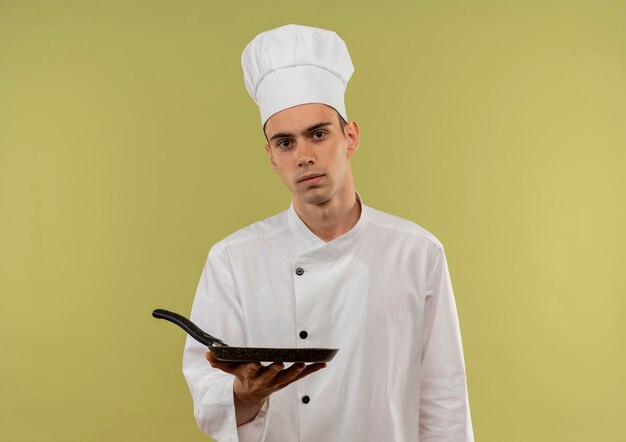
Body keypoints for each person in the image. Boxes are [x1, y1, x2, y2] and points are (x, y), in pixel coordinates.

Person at [182, 24, 474, 441]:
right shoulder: (233, 259)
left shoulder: (417, 251)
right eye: (284, 143)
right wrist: (245, 393)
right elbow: (208, 396)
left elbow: (444, 395)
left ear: (350, 136)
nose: (303, 156)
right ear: (270, 156)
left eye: (318, 134)